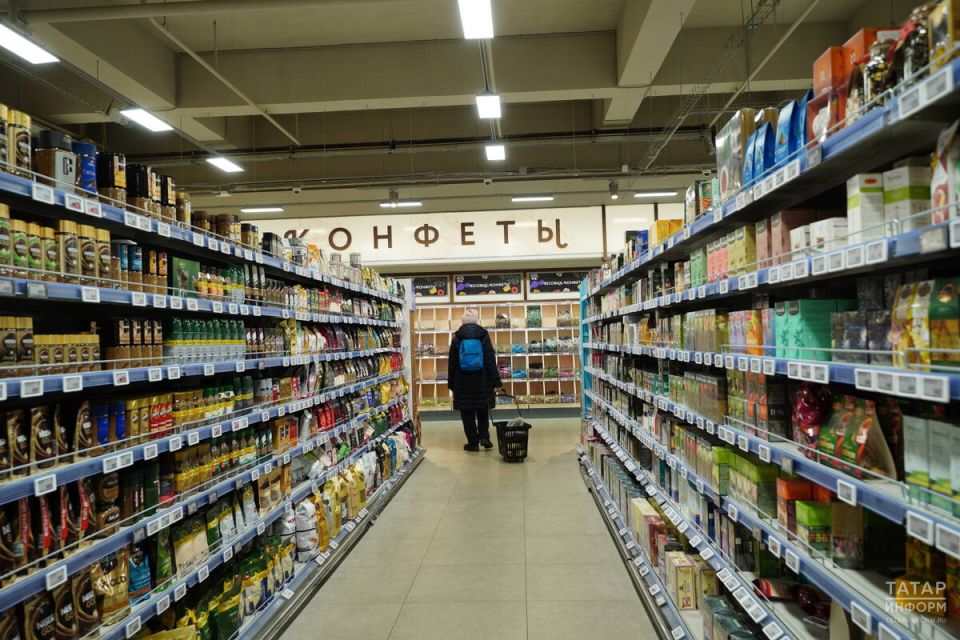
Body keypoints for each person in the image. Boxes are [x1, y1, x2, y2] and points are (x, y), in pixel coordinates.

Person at [448, 309, 502, 451]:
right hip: (483, 381)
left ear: (463, 322)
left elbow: (452, 363)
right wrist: (496, 381)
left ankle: (473, 443)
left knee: (467, 414)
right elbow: (490, 360)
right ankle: (484, 437)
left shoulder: (457, 338)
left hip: (462, 382)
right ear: (476, 321)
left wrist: (451, 383)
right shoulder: (484, 336)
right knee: (482, 410)